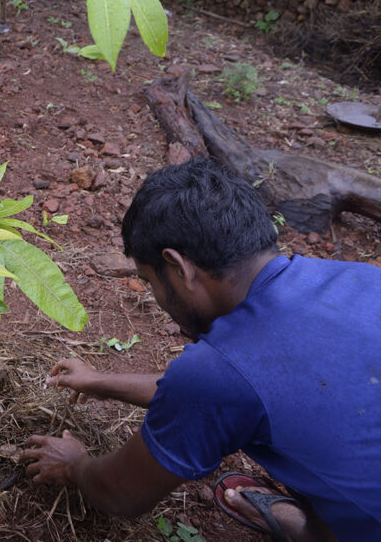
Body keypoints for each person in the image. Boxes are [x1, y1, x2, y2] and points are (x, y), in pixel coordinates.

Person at [22, 158, 381, 541]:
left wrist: (76, 465)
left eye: (149, 281)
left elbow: (120, 493)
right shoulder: (361, 278)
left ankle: (307, 529)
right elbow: (246, 384)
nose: (156, 296)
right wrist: (100, 381)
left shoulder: (221, 374)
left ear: (178, 267)